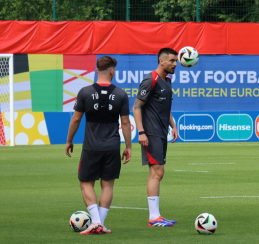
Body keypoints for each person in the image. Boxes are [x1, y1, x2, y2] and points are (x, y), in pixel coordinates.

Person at [65, 56, 132, 235]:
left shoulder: (84, 92)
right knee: (107, 186)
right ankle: (100, 223)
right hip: (112, 147)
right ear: (112, 71)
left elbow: (76, 119)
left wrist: (69, 140)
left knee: (86, 183)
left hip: (91, 147)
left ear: (96, 70)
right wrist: (128, 146)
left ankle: (95, 222)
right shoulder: (121, 94)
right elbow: (125, 123)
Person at [133, 48, 178, 227]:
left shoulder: (167, 80)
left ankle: (156, 216)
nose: (176, 64)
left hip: (161, 132)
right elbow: (137, 107)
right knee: (156, 172)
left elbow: (165, 108)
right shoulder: (150, 80)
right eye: (172, 61)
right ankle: (154, 217)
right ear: (162, 61)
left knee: (158, 172)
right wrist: (142, 132)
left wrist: (173, 126)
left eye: (176, 61)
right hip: (151, 133)